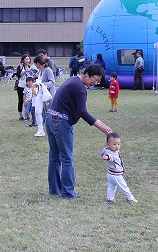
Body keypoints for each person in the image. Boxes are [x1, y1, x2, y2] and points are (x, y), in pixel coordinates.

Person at [46, 64, 112, 199]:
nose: (96, 82)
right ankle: (68, 193)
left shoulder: (72, 80)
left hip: (50, 118)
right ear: (86, 74)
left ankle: (54, 190)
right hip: (61, 122)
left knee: (54, 156)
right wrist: (102, 127)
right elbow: (82, 111)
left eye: (98, 80)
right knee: (66, 158)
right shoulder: (79, 88)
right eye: (95, 78)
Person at [100, 132, 138, 204]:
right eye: (114, 144)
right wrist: (107, 157)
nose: (117, 146)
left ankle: (110, 199)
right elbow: (110, 157)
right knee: (123, 186)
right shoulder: (110, 153)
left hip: (110, 174)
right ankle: (130, 198)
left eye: (118, 144)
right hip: (116, 175)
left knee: (112, 187)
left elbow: (104, 153)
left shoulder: (112, 150)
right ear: (108, 144)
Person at [33, 55, 56, 136]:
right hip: (40, 94)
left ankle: (54, 128)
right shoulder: (40, 71)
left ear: (38, 63)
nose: (35, 66)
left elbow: (52, 82)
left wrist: (43, 84)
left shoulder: (48, 70)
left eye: (36, 64)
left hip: (48, 95)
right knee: (37, 111)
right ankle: (40, 130)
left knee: (51, 112)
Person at [15, 54, 34, 120]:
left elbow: (31, 77)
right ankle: (20, 116)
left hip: (29, 86)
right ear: (23, 60)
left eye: (28, 59)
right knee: (21, 100)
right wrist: (25, 71)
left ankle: (27, 115)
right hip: (21, 86)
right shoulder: (20, 66)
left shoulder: (30, 67)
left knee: (29, 100)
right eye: (26, 59)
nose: (27, 60)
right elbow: (18, 75)